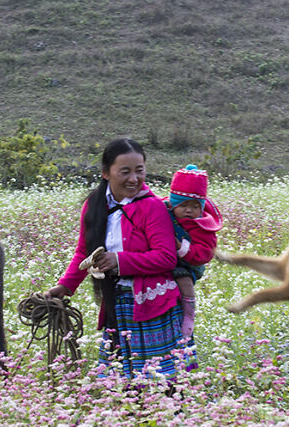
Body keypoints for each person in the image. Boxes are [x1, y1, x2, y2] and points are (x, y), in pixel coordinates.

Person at [45, 138, 194, 379]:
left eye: (140, 170)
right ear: (106, 173)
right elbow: (84, 253)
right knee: (121, 384)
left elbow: (166, 257)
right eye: (125, 172)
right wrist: (65, 286)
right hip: (117, 303)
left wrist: (119, 261)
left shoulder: (152, 207)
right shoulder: (94, 206)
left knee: (161, 382)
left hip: (152, 304)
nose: (134, 179)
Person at [163, 165, 223, 338]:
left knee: (184, 281)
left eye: (195, 206)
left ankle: (189, 316)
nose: (189, 210)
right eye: (183, 205)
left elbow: (205, 253)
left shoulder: (203, 226)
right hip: (166, 261)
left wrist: (179, 246)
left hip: (189, 264)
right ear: (173, 203)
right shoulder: (165, 212)